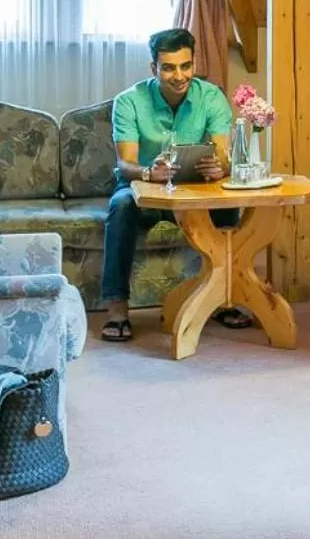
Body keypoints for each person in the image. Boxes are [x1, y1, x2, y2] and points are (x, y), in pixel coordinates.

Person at [98, 28, 238, 342]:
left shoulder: (211, 97)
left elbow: (223, 153)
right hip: (145, 190)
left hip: (194, 191)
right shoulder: (128, 101)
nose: (179, 76)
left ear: (193, 63)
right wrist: (149, 172)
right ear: (154, 68)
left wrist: (220, 167)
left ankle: (226, 298)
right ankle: (117, 308)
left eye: (185, 66)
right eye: (169, 68)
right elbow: (125, 164)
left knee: (229, 202)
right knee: (120, 205)